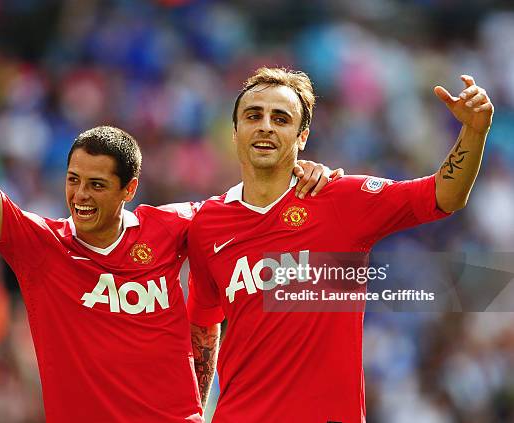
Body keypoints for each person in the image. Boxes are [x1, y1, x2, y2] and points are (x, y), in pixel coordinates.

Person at [0, 30, 336, 422]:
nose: (80, 196)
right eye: (73, 180)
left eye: (97, 185)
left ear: (129, 189)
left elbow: (248, 206)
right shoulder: (40, 246)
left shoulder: (173, 226)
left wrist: (297, 172)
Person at [187, 67, 493, 422]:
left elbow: (445, 195)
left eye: (281, 118)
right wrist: (195, 413)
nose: (266, 126)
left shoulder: (340, 199)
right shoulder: (207, 224)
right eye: (254, 116)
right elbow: (203, 325)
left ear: (302, 137)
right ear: (236, 131)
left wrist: (474, 130)